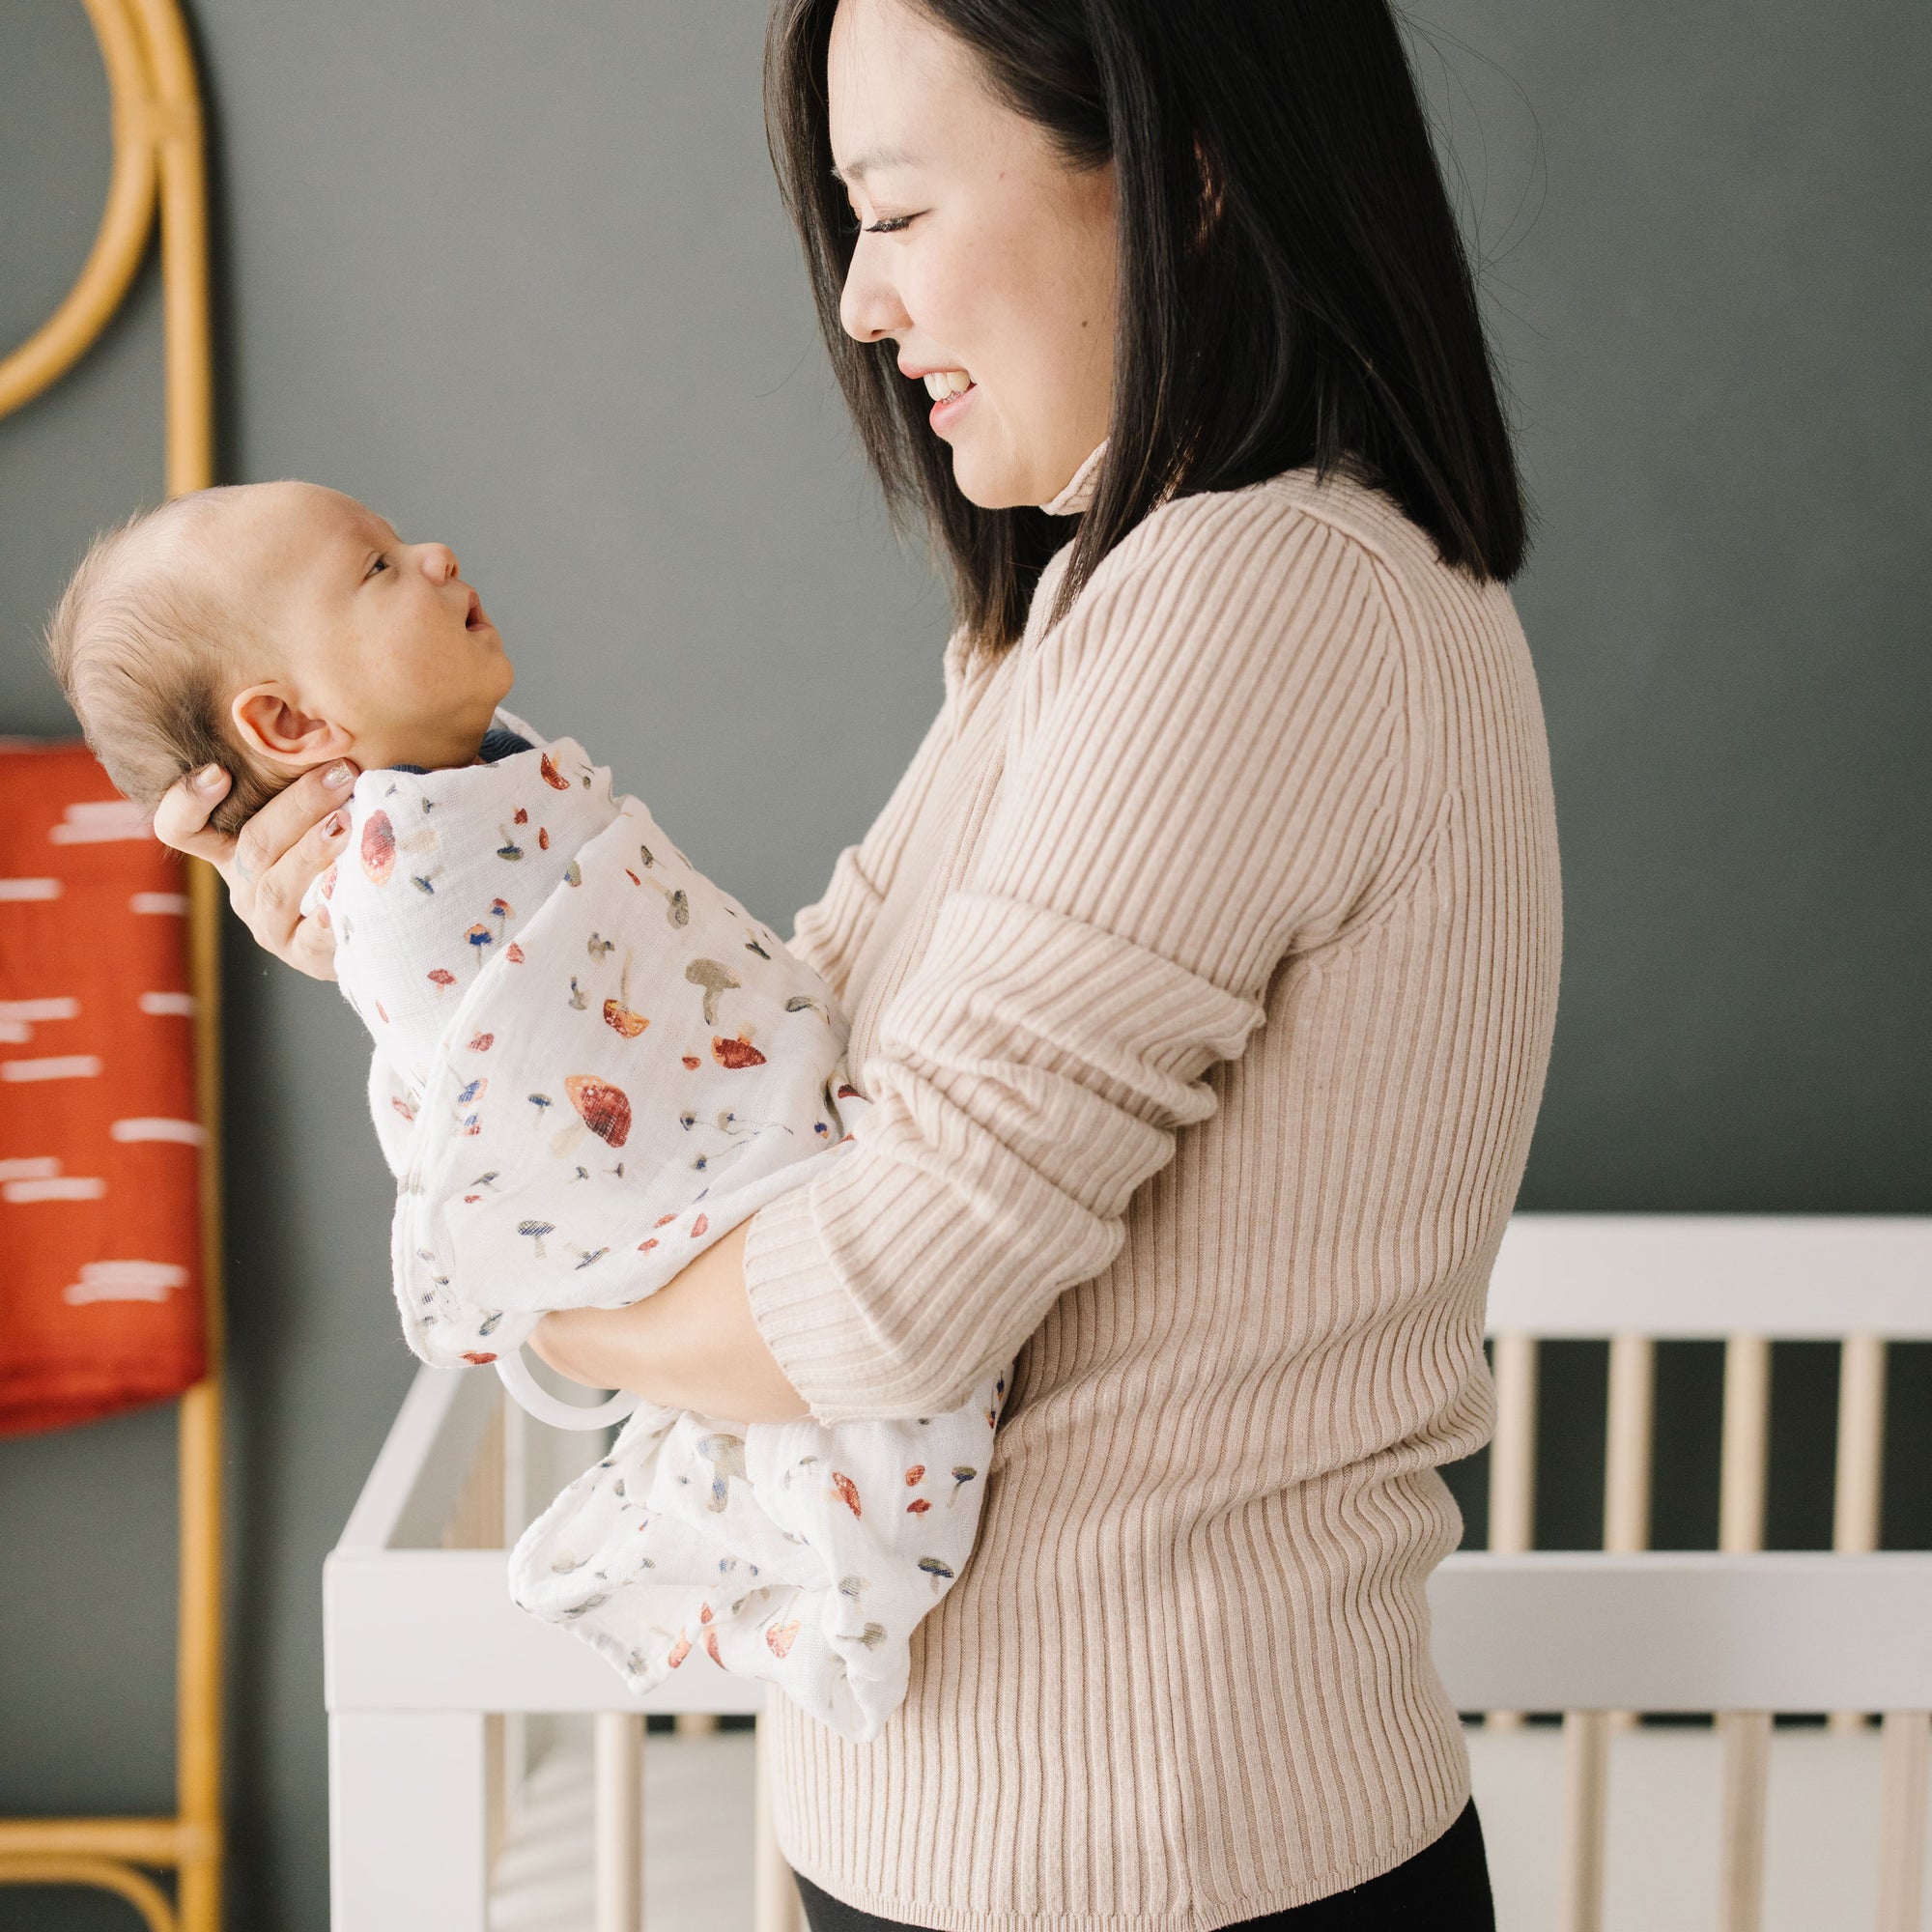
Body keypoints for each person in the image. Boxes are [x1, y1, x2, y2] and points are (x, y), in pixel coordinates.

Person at [155, 0, 1561, 1924]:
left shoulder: (1257, 605)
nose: (863, 309)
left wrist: (529, 1299)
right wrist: (426, 914)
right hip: (1052, 1840)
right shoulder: (1098, 597)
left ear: (1191, 179)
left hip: (1151, 1849)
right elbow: (786, 1055)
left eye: (891, 212)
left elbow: (885, 1287)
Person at [46, 478, 1001, 1743]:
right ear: (285, 719)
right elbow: (480, 1075)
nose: (435, 554)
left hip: (768, 1097)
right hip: (721, 1194)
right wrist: (343, 926)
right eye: (377, 570)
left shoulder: (468, 779)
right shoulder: (400, 887)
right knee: (885, 1463)